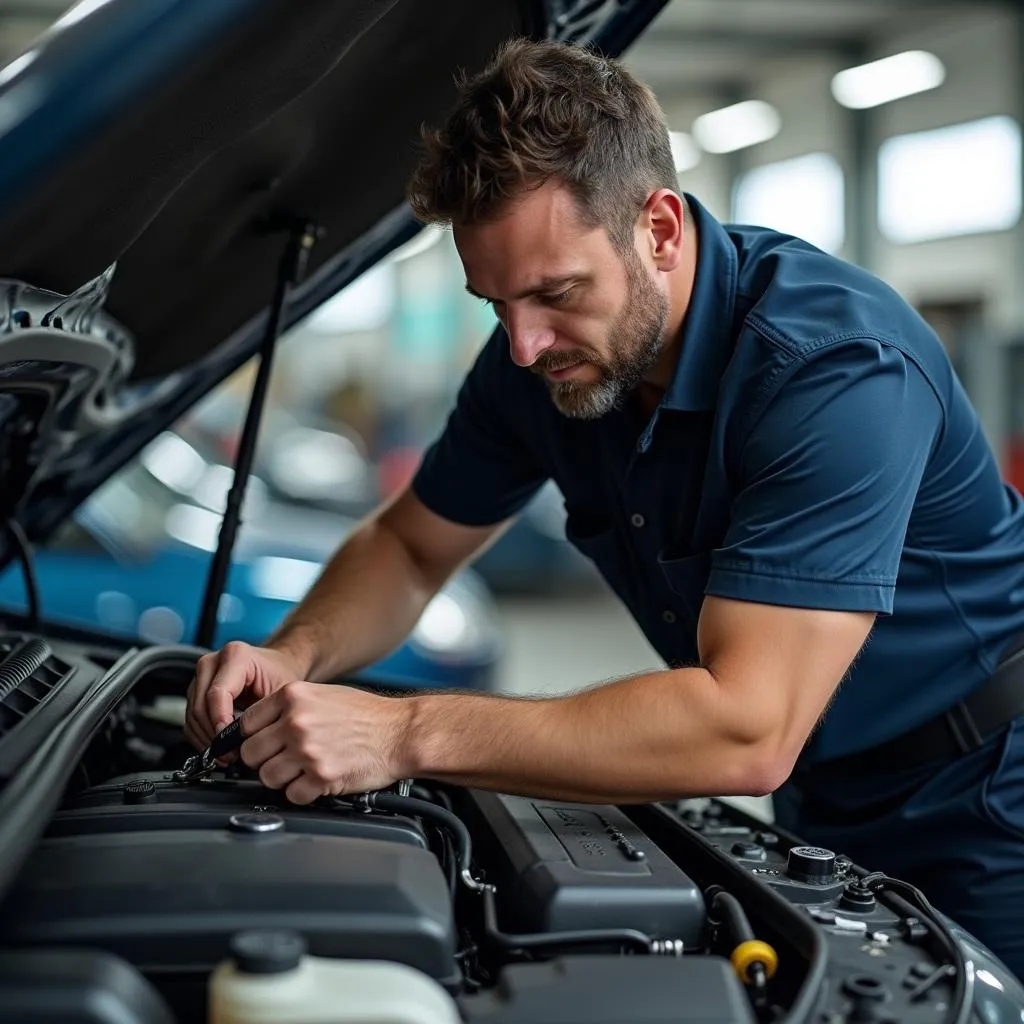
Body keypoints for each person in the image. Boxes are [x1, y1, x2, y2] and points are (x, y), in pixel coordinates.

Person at [185, 38, 1024, 975]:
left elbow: (744, 726)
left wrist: (402, 731)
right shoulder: (540, 364)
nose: (523, 344)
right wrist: (293, 653)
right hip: (823, 803)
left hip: (987, 801)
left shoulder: (834, 371)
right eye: (494, 303)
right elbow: (412, 546)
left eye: (555, 293)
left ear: (659, 229)